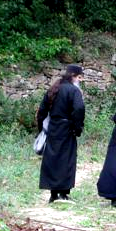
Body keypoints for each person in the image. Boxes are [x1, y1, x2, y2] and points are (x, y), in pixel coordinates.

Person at [36, 64, 85, 203]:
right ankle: (63, 193)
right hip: (67, 128)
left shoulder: (54, 88)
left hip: (53, 128)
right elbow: (79, 109)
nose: (80, 80)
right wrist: (77, 128)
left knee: (52, 160)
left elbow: (41, 111)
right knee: (66, 160)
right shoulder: (73, 91)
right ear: (74, 76)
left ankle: (53, 194)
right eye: (80, 77)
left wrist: (42, 129)